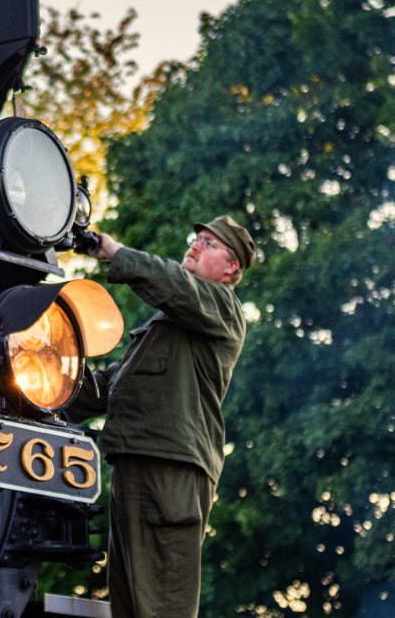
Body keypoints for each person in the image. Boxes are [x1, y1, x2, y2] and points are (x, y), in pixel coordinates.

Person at [70, 215, 256, 618]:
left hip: (170, 471)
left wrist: (112, 252)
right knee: (132, 606)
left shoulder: (221, 307)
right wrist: (47, 372)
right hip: (139, 464)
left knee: (160, 608)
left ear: (231, 269)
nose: (194, 246)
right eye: (197, 239)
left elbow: (171, 284)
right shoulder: (166, 327)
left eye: (209, 243)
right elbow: (107, 388)